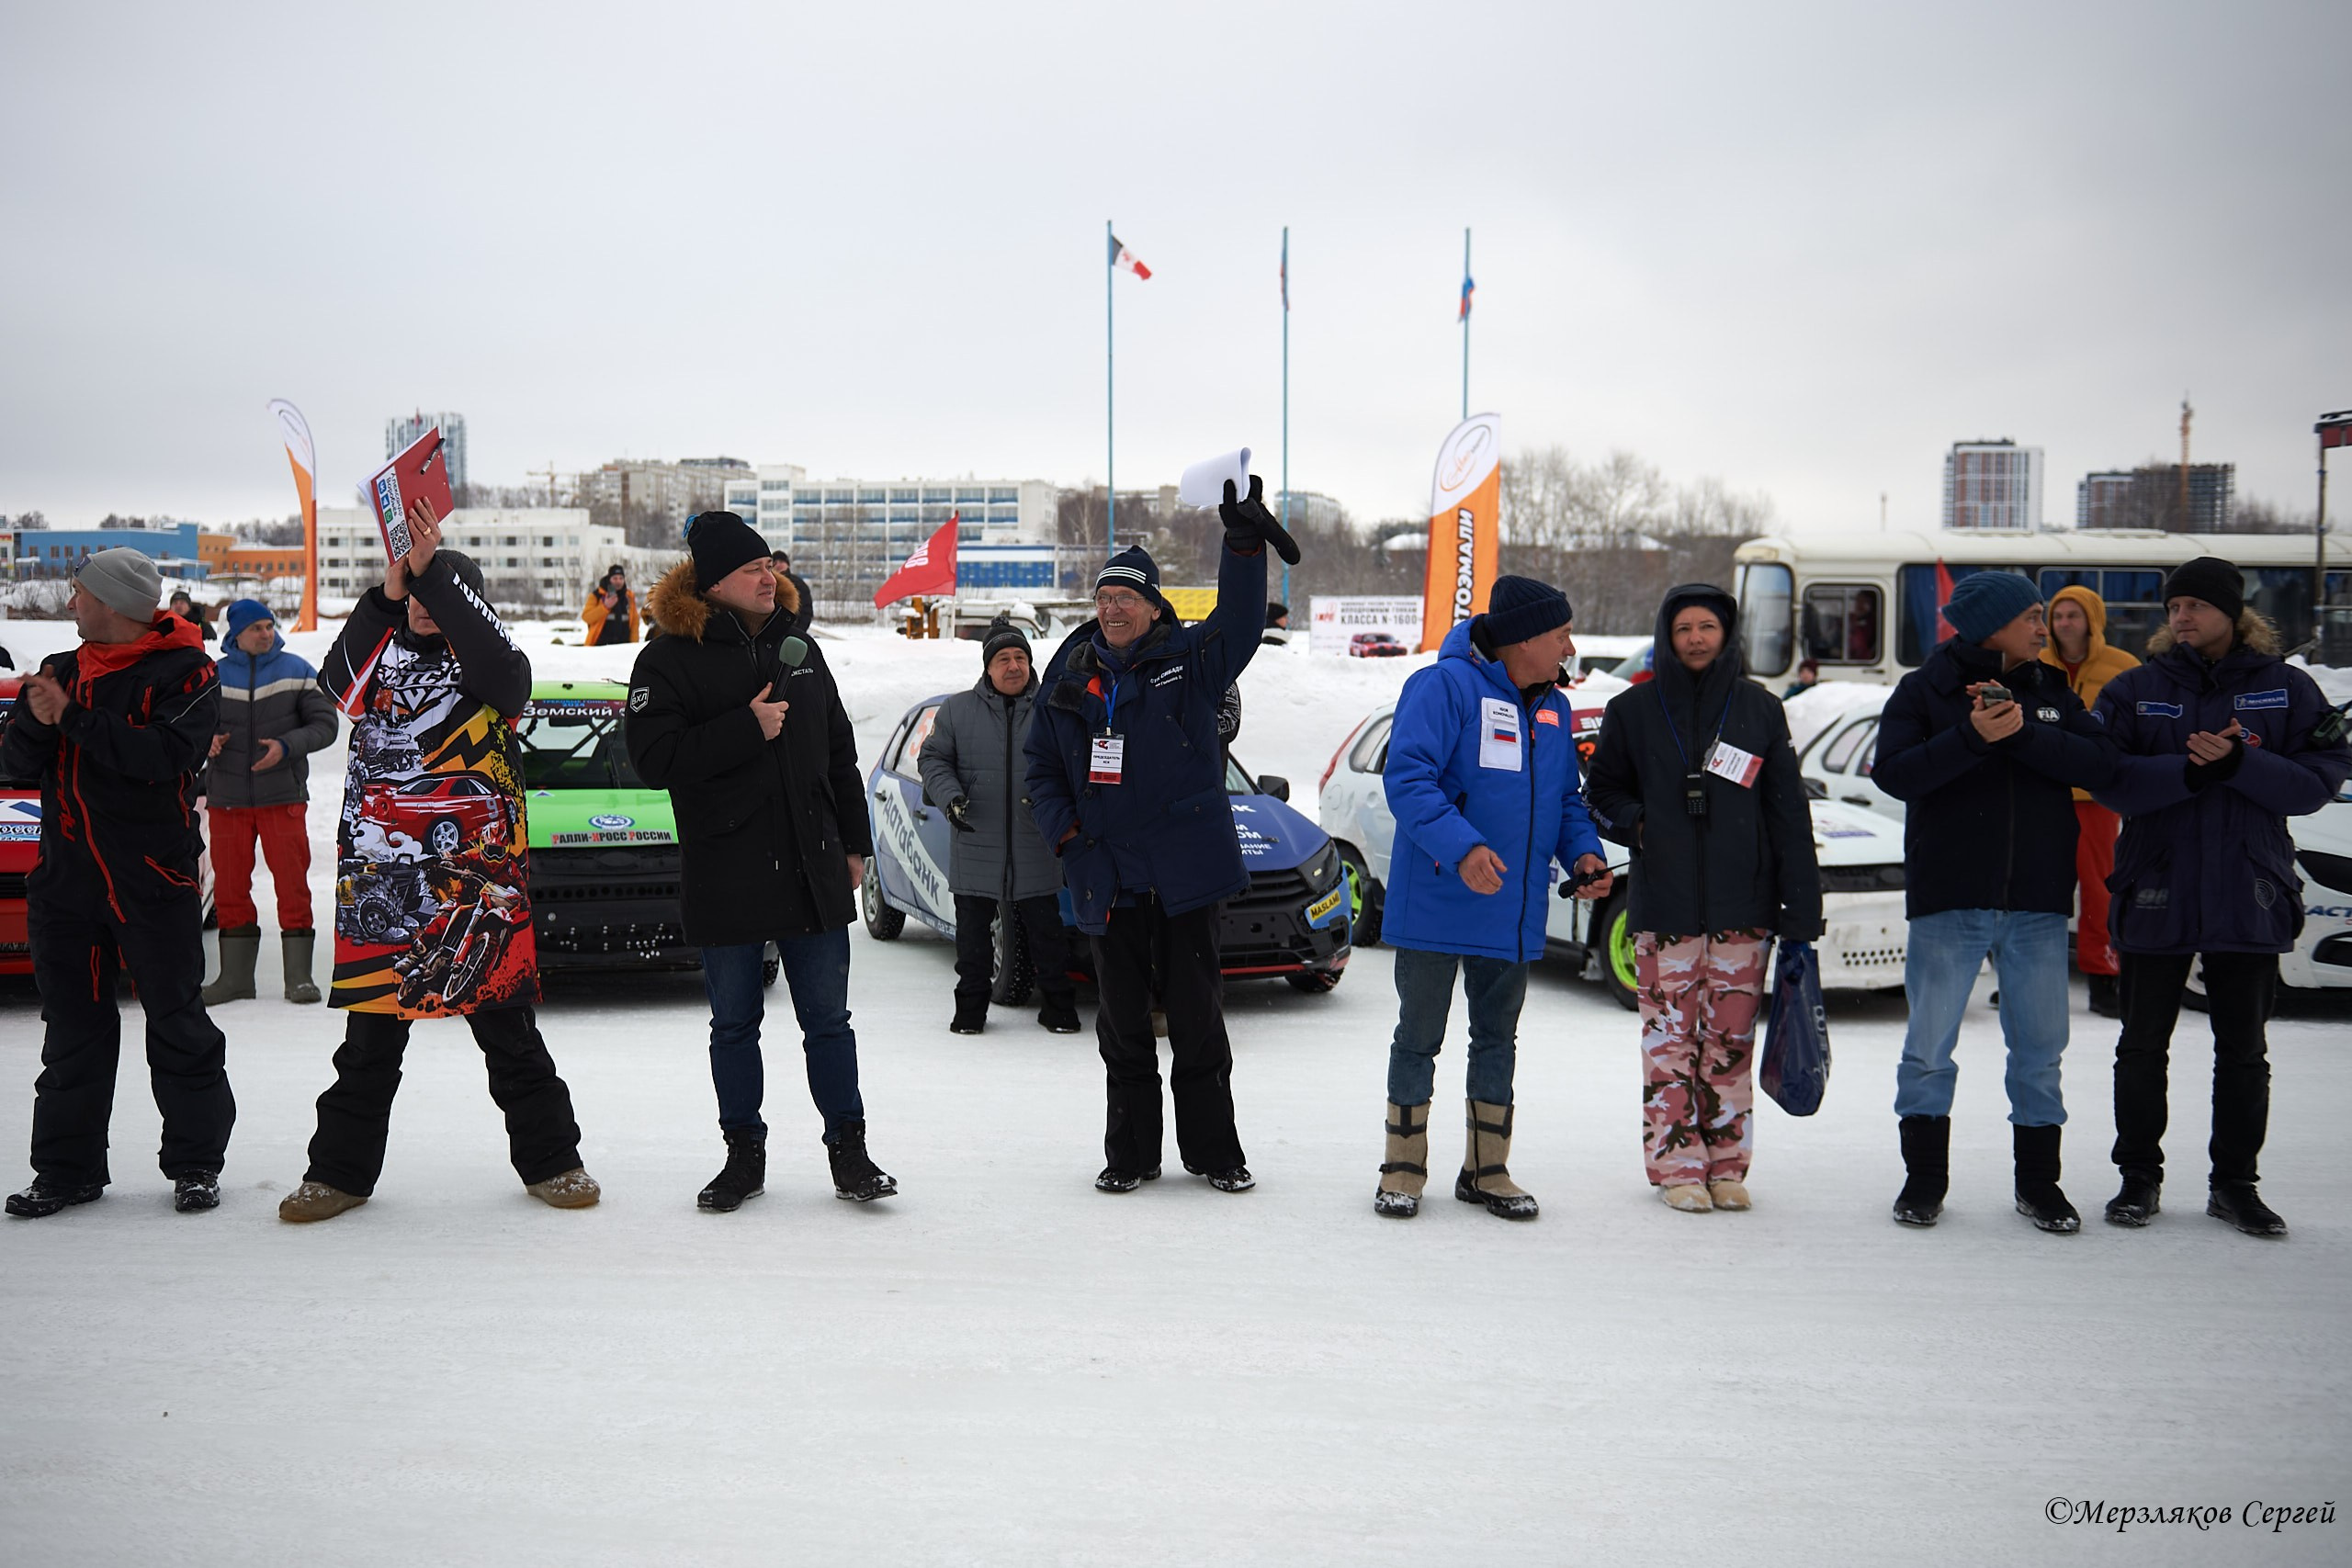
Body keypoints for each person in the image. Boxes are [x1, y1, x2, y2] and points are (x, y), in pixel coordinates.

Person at [278, 500, 599, 1223]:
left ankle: (554, 1160)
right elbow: (337, 688)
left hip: (477, 882)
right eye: (418, 595)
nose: (425, 606)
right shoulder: (378, 658)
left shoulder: (491, 663)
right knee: (367, 1044)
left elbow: (509, 683)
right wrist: (390, 593)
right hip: (384, 883)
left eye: (439, 594)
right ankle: (338, 1174)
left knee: (510, 1038)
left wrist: (440, 582)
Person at [1026, 478, 1295, 1195]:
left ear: (1153, 606)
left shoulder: (1192, 661)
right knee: (1120, 1025)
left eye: (1127, 598)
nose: (1112, 608)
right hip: (1107, 873)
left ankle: (1214, 1153)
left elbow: (1239, 625)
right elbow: (1040, 767)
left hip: (1185, 873)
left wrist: (1241, 546)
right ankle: (1131, 1155)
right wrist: (1069, 836)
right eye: (1104, 598)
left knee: (1199, 1019)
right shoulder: (1068, 676)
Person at [629, 512, 895, 1212]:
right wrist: (744, 728)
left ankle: (851, 1151)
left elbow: (839, 750)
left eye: (771, 567)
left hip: (811, 866)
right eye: (754, 570)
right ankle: (742, 1155)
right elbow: (653, 760)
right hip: (726, 869)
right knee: (734, 1025)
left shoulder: (798, 644)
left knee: (829, 1022)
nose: (769, 578)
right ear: (716, 583)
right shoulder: (667, 656)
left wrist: (854, 841)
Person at [2091, 557, 2352, 1237]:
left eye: (2195, 607)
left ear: (2233, 616)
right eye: (2173, 607)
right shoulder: (2134, 688)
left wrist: (2241, 764)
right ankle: (2137, 1179)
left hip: (2249, 886)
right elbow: (2107, 778)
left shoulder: (2288, 688)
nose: (2181, 617)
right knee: (2142, 1044)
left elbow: (2320, 778)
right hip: (2156, 885)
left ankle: (2235, 1184)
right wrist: (2189, 772)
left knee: (2243, 1049)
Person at [1872, 571, 2116, 1234]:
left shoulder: (2052, 690)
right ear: (1990, 625)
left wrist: (2023, 737)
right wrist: (1973, 736)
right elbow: (1893, 773)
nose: (2045, 628)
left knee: (2040, 1053)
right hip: (1949, 897)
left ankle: (2040, 1185)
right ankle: (1924, 1181)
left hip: (2037, 901)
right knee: (1928, 1050)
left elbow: (2101, 766)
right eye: (2033, 616)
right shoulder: (1925, 688)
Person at [1374, 576, 1612, 1221]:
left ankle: (1487, 1168)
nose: (1569, 645)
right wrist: (1463, 846)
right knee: (1419, 1036)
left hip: (1509, 910)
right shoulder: (1442, 686)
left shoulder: (1554, 709)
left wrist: (1584, 852)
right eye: (1560, 633)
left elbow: (1563, 800)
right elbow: (1409, 778)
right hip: (1437, 902)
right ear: (1524, 639)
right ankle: (1402, 1166)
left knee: (1497, 1038)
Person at [2, 548, 232, 1218]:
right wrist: (39, 722)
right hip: (66, 886)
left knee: (179, 1025)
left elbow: (163, 758)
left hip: (153, 882)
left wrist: (71, 718)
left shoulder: (188, 672)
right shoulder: (58, 672)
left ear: (113, 603)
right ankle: (66, 1170)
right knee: (72, 1031)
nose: (71, 603)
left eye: (79, 593)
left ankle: (195, 1164)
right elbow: (16, 761)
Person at [1586, 584, 1821, 1213]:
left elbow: (1788, 815)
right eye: (1684, 627)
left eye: (1707, 627)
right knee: (1669, 1043)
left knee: (1728, 1044)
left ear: (1727, 634)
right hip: (1664, 910)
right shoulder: (1632, 709)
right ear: (1667, 635)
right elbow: (1600, 790)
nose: (1695, 637)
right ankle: (1676, 1165)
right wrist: (1638, 823)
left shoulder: (1759, 709)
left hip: (1743, 911)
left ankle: (1726, 1163)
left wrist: (1801, 908)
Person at [918, 615, 1080, 1036]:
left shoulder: (1054, 707)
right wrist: (950, 795)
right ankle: (970, 1013)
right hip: (975, 842)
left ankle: (1059, 1010)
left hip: (1037, 843)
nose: (1014, 666)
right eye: (1004, 658)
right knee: (972, 945)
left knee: (1049, 939)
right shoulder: (957, 709)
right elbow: (932, 759)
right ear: (987, 667)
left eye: (1021, 657)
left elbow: (1074, 765)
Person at [201, 599, 338, 1006]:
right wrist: (205, 740)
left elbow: (325, 725)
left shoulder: (297, 672)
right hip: (227, 800)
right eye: (257, 628)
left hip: (282, 797)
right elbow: (186, 724)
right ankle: (235, 979)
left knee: (293, 886)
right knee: (229, 889)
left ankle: (299, 978)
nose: (266, 633)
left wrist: (286, 745)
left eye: (269, 625)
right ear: (236, 634)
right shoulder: (212, 676)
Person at [2035, 585, 2138, 1019]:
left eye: (2073, 616)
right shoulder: (2033, 664)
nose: (2064, 624)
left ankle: (2103, 977)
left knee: (2099, 890)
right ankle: (2031, 975)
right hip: (2042, 793)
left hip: (2097, 798)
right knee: (2035, 890)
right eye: (2058, 616)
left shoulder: (2124, 668)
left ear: (2092, 620)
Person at [581, 563, 639, 646]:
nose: (618, 581)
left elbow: (634, 623)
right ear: (609, 579)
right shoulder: (597, 596)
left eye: (621, 578)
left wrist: (634, 645)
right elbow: (586, 617)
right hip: (599, 646)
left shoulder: (629, 597)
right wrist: (605, 607)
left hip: (624, 647)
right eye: (615, 578)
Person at [770, 550, 815, 637]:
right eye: (775, 562)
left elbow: (806, 611)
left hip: (793, 633)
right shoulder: (766, 583)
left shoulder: (799, 584)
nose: (778, 565)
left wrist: (799, 632)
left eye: (781, 562)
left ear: (788, 564)